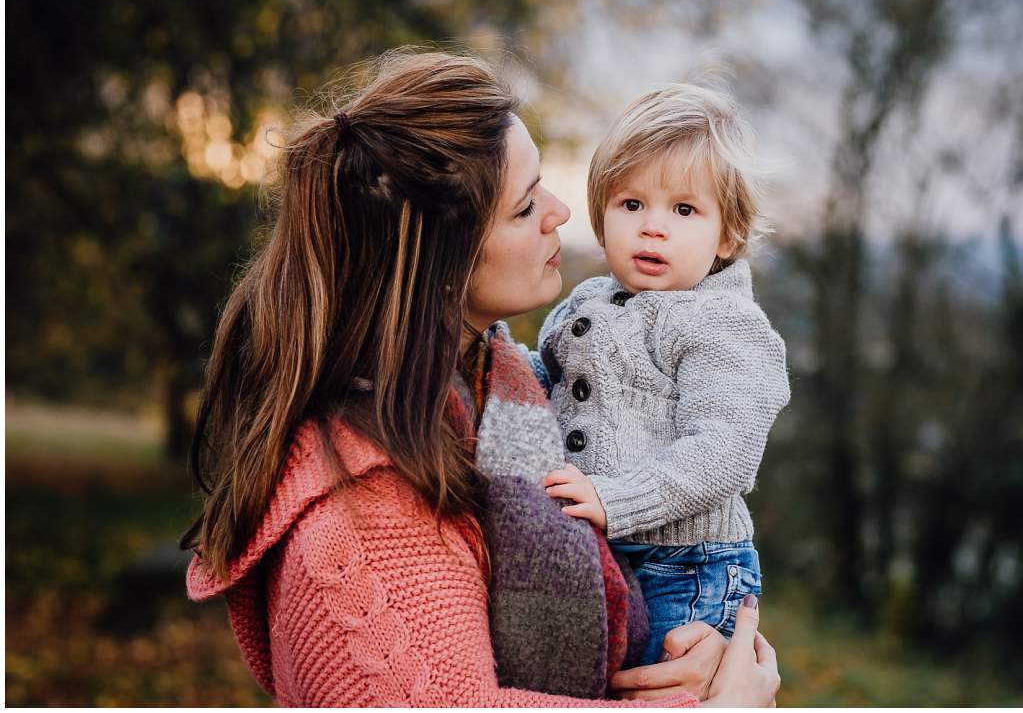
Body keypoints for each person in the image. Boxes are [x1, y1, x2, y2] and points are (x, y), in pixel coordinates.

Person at [181, 50, 780, 706]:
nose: (560, 211)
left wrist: (712, 653)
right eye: (525, 207)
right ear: (447, 257)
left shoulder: (498, 389)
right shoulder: (366, 509)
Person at [536, 83, 791, 668]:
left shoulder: (723, 322)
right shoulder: (587, 300)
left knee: (665, 686)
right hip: (603, 551)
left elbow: (724, 451)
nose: (653, 227)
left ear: (727, 234)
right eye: (631, 205)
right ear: (602, 216)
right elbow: (542, 381)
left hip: (688, 567)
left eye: (683, 210)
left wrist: (613, 497)